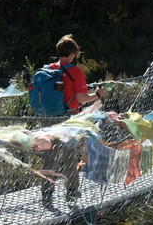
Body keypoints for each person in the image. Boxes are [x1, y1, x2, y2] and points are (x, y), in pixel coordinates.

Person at [38, 34, 106, 207]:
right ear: (73, 53)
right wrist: (97, 94)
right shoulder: (75, 71)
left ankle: (46, 192)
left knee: (49, 155)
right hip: (69, 118)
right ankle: (72, 190)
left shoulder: (47, 69)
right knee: (70, 155)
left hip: (47, 118)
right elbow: (82, 98)